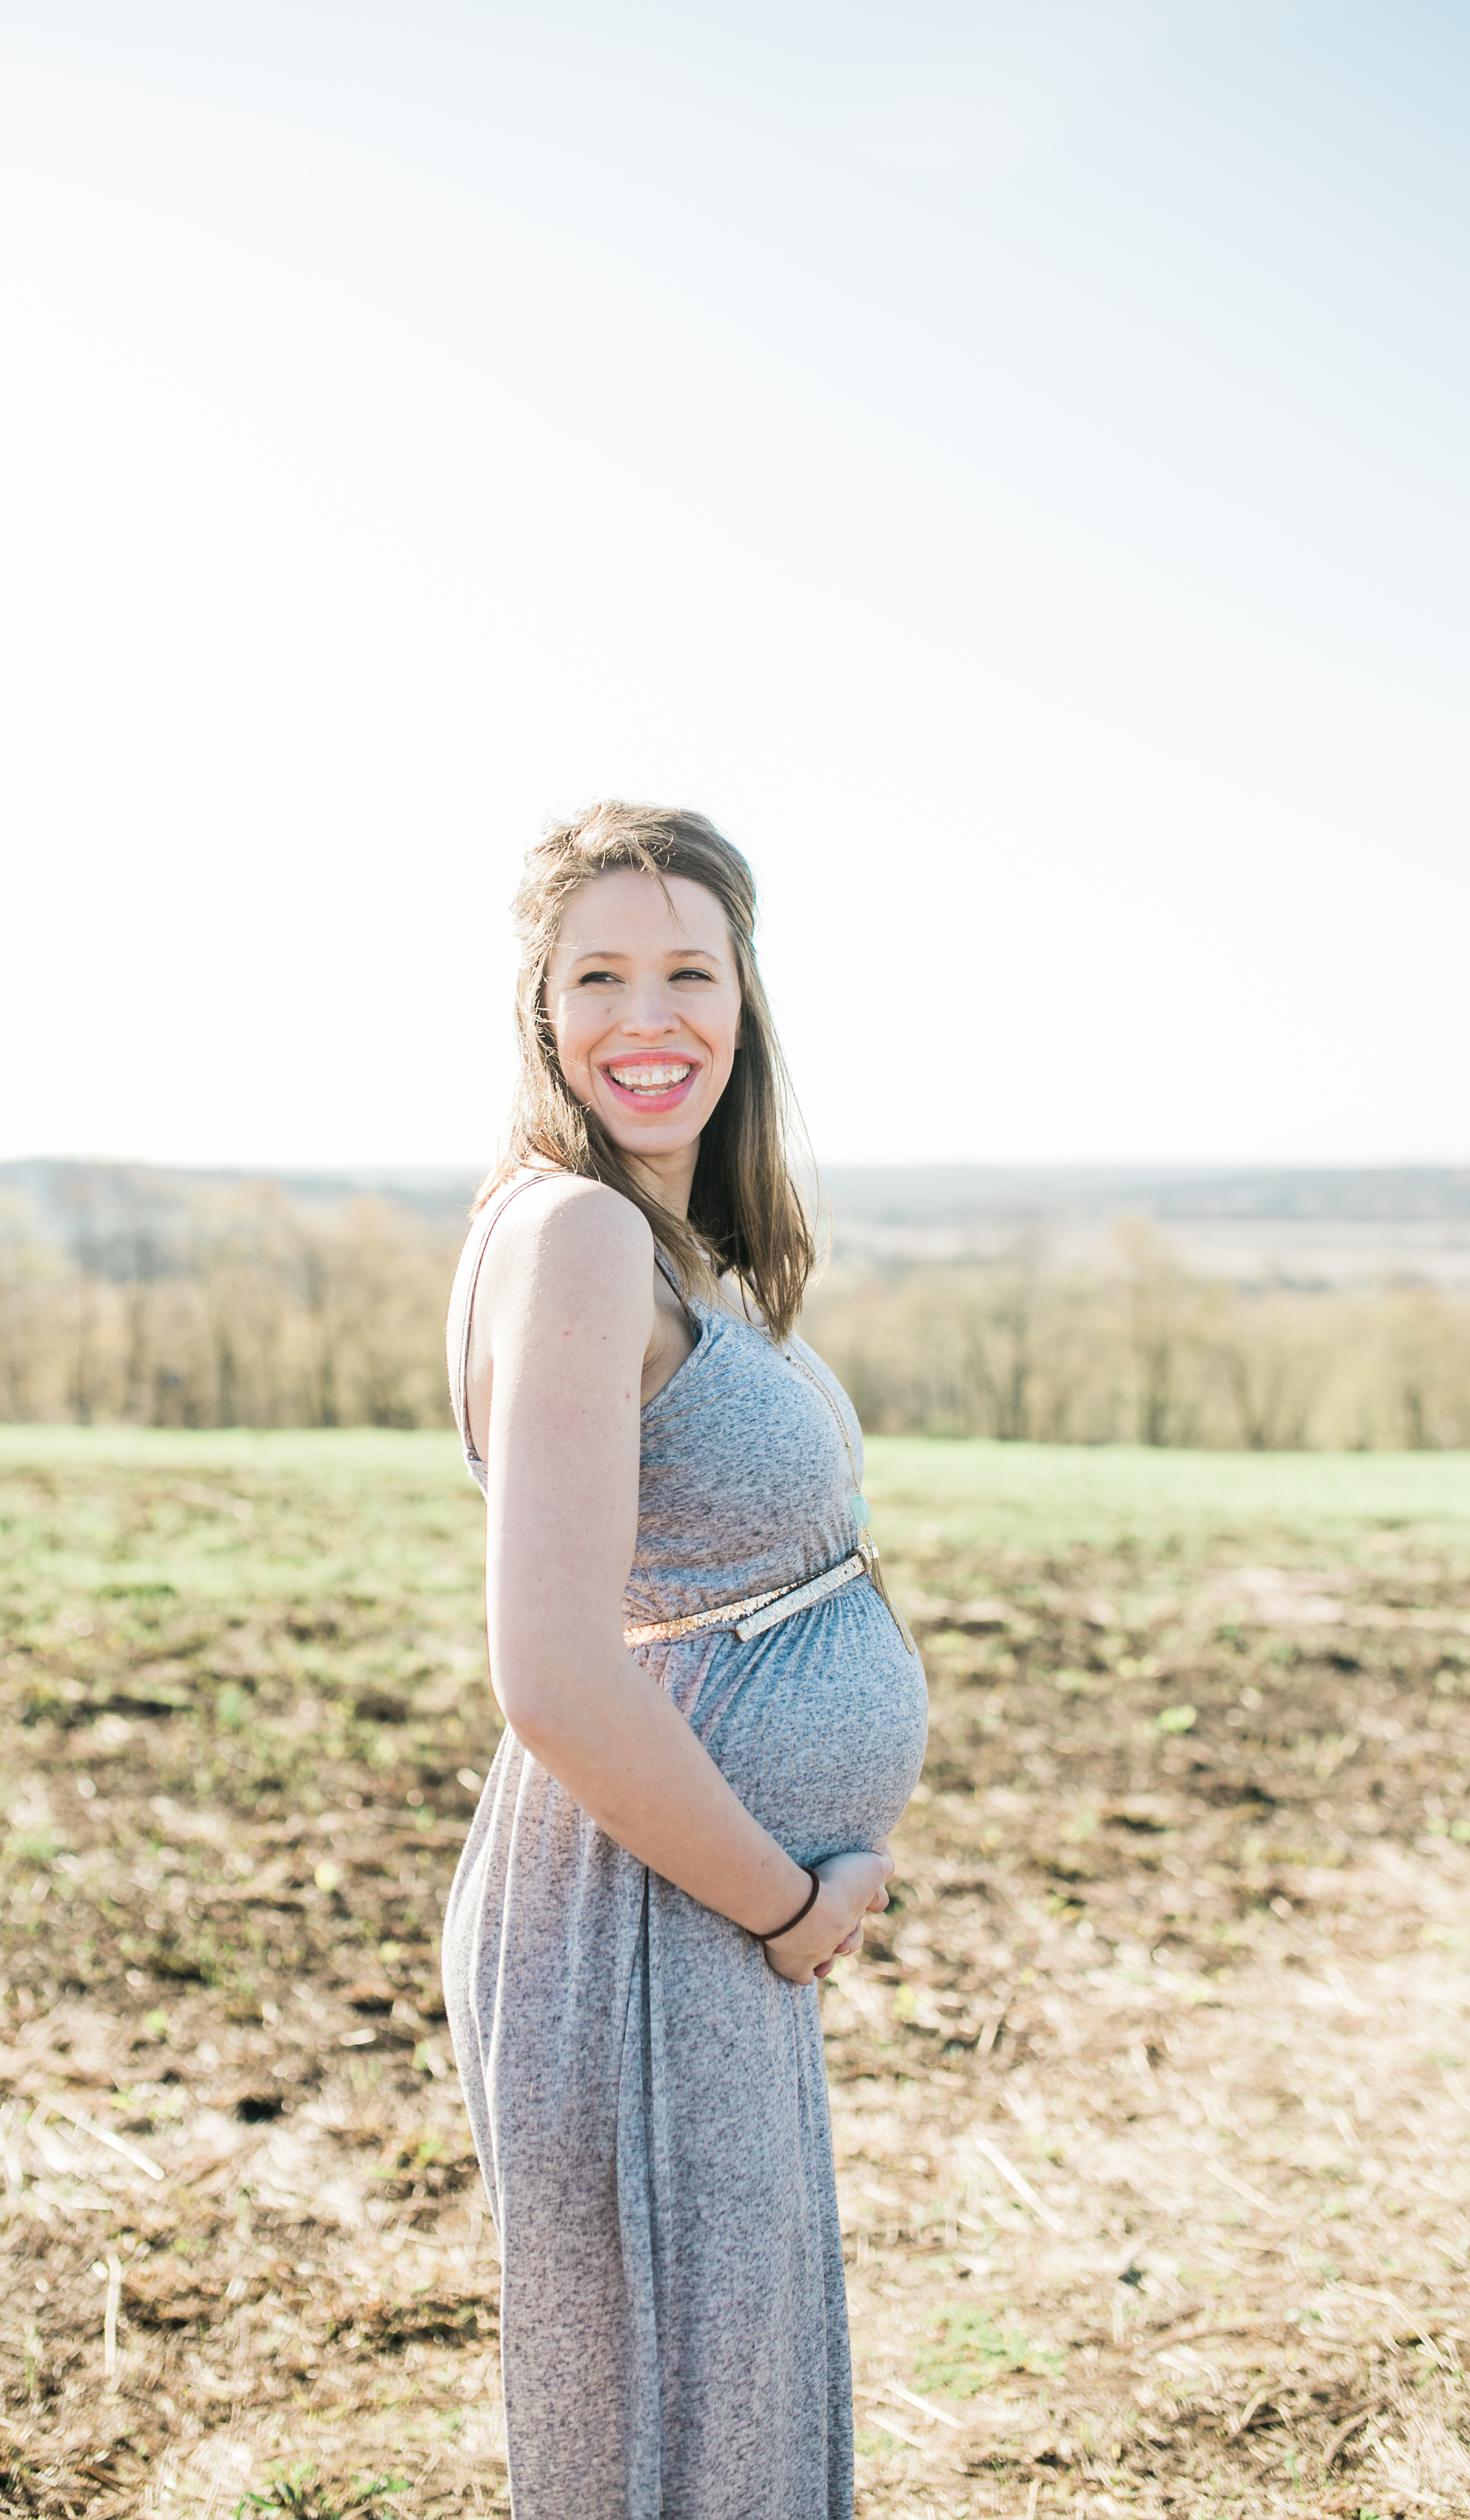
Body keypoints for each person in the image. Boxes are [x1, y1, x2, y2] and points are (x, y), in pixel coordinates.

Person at [441, 802, 928, 2519]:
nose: (648, 1020)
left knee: (727, 2414)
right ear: (539, 1007)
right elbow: (556, 1675)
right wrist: (787, 1907)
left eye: (686, 972)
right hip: (651, 1917)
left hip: (690, 1909)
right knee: (677, 2447)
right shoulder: (574, 1236)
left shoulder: (665, 1242)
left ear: (743, 997)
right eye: (598, 976)